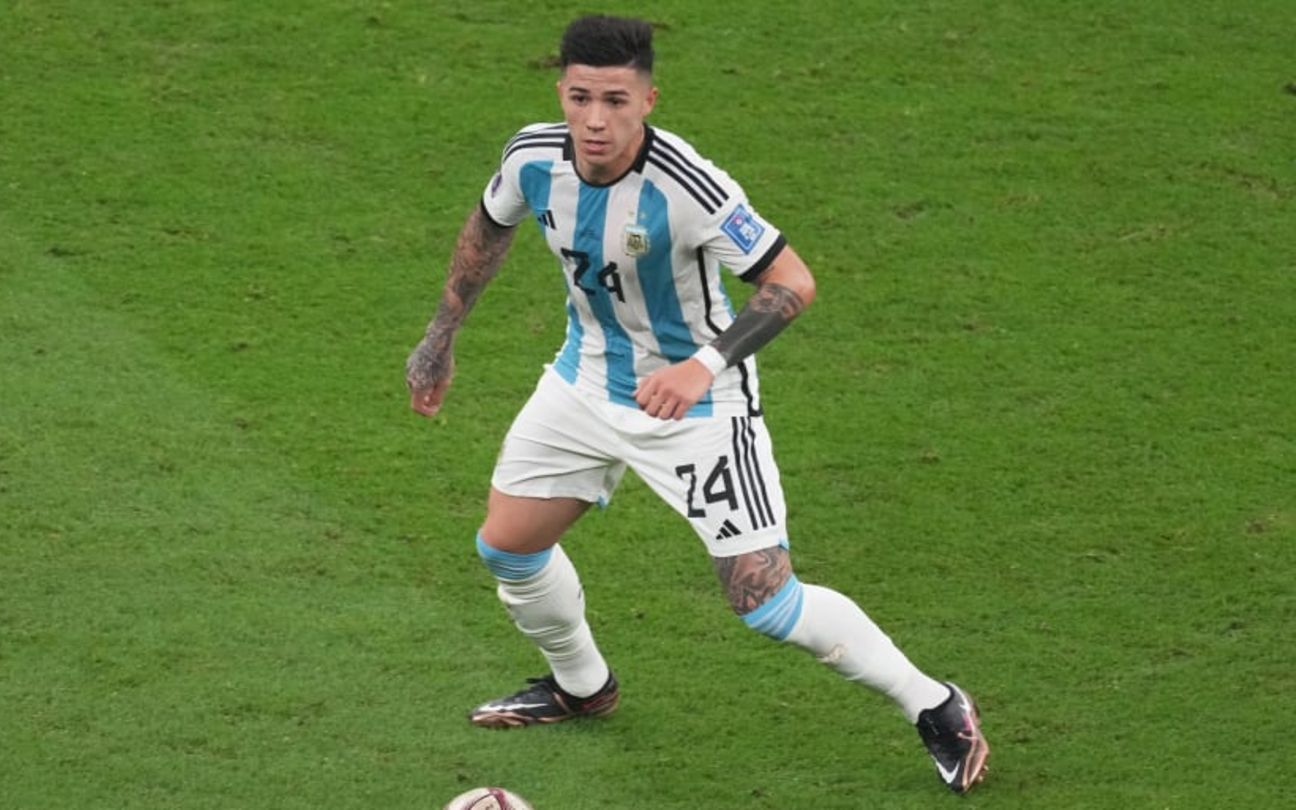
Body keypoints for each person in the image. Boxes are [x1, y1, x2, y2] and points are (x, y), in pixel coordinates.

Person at [405, 15, 989, 795]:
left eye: (616, 101)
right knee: (508, 548)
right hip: (585, 383)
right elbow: (489, 225)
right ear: (562, 93)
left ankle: (936, 704)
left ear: (648, 100)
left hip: (699, 410)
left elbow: (793, 281)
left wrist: (701, 366)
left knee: (765, 601)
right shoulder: (532, 157)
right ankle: (581, 685)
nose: (595, 120)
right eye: (580, 98)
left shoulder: (688, 187)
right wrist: (439, 337)